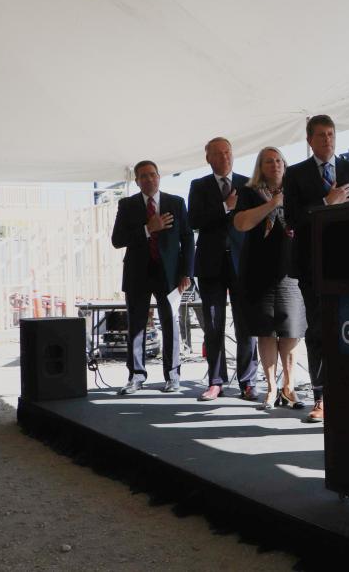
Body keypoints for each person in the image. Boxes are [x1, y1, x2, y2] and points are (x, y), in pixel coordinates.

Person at [283, 114, 349, 422]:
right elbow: (291, 218)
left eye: (331, 134)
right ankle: (321, 398)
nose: (327, 139)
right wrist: (326, 202)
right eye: (320, 135)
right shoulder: (294, 175)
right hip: (312, 265)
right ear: (309, 140)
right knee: (319, 331)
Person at [112, 160, 194, 394]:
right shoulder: (127, 205)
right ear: (136, 181)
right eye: (143, 176)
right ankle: (136, 376)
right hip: (138, 272)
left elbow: (187, 239)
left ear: (159, 177)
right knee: (136, 325)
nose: (149, 179)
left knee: (170, 323)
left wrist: (187, 272)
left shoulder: (176, 203)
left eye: (152, 174)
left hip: (169, 274)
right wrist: (149, 228)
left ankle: (172, 375)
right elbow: (117, 240)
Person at [234, 147, 306, 411]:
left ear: (285, 165)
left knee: (290, 331)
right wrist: (272, 204)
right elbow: (241, 223)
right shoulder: (249, 192)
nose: (275, 165)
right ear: (260, 167)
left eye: (278, 160)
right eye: (268, 161)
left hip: (290, 271)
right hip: (258, 271)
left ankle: (289, 387)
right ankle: (271, 388)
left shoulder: (296, 190)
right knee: (266, 332)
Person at [187, 137, 259, 402]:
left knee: (245, 325)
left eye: (227, 152)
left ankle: (248, 382)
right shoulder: (199, 186)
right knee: (214, 325)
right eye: (217, 153)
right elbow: (193, 220)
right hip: (210, 265)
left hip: (243, 263)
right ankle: (216, 381)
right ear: (208, 158)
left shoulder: (248, 183)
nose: (224, 157)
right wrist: (224, 207)